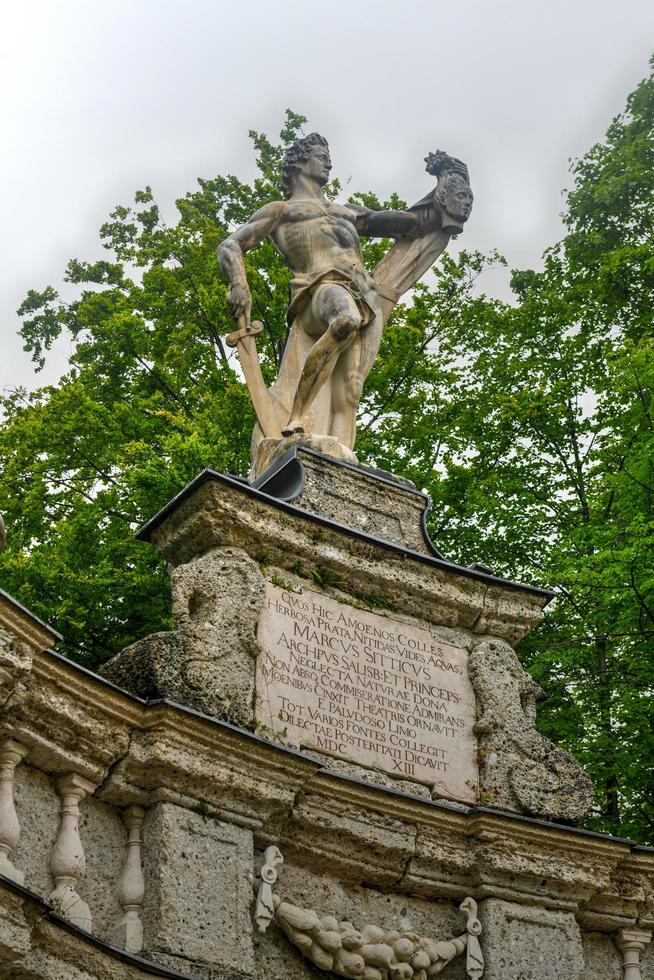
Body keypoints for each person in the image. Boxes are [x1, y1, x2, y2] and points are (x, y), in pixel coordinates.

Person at [218, 133, 428, 450]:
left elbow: (405, 223)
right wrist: (239, 285)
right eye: (320, 155)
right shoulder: (282, 210)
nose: (328, 161)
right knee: (344, 321)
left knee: (351, 389)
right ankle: (297, 416)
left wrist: (437, 211)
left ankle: (339, 455)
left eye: (329, 156)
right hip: (320, 285)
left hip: (365, 294)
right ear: (299, 162)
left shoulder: (347, 212)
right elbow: (231, 244)